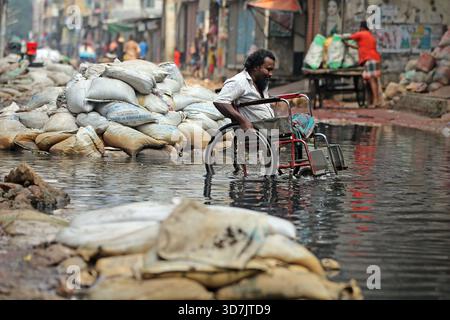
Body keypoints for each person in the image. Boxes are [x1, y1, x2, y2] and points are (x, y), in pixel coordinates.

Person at [213, 49, 276, 131]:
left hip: (269, 130)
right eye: (268, 69)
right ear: (256, 67)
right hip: (254, 134)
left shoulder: (261, 82)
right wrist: (242, 121)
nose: (271, 74)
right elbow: (220, 101)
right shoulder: (239, 81)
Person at [343, 21, 382, 107]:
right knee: (373, 80)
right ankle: (373, 101)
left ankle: (375, 101)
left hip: (369, 59)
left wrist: (339, 38)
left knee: (372, 80)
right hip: (375, 58)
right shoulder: (369, 35)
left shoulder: (362, 33)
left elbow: (349, 37)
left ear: (361, 27)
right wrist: (348, 45)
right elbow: (361, 47)